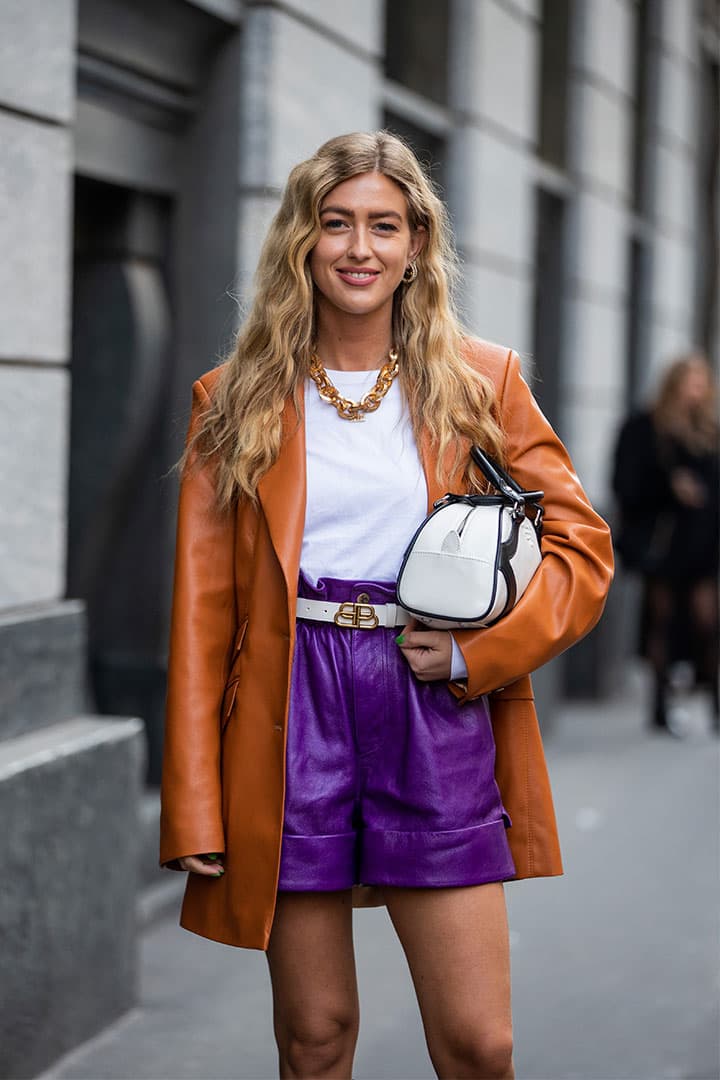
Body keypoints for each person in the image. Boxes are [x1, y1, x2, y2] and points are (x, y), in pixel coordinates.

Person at [160, 131, 613, 1079]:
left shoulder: (479, 382)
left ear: (415, 245)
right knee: (314, 1038)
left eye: (383, 225)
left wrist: (473, 658)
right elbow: (202, 620)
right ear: (303, 242)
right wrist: (195, 802)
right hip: (293, 711)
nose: (359, 248)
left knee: (478, 1045)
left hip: (431, 706)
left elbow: (583, 549)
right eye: (336, 224)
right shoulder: (233, 399)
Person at [612, 354, 719, 734]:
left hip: (703, 543)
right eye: (690, 382)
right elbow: (625, 482)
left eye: (701, 382)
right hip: (663, 544)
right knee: (661, 618)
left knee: (708, 619)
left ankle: (712, 699)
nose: (697, 390)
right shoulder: (646, 428)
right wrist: (669, 487)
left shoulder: (708, 431)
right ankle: (659, 705)